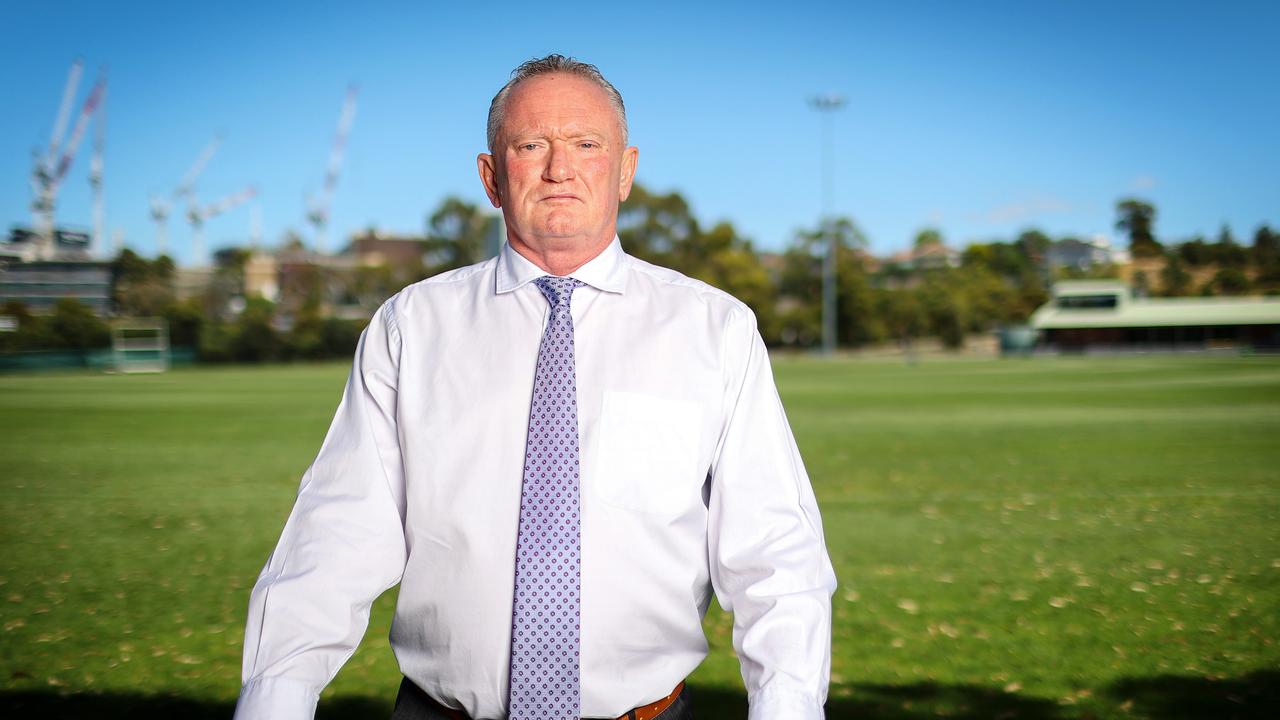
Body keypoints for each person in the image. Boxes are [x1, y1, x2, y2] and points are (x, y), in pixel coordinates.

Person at [233, 54, 836, 720]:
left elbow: (775, 556)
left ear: (626, 169)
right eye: (530, 146)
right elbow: (334, 537)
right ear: (492, 177)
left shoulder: (714, 329)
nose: (559, 168)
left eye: (586, 144)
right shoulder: (412, 326)